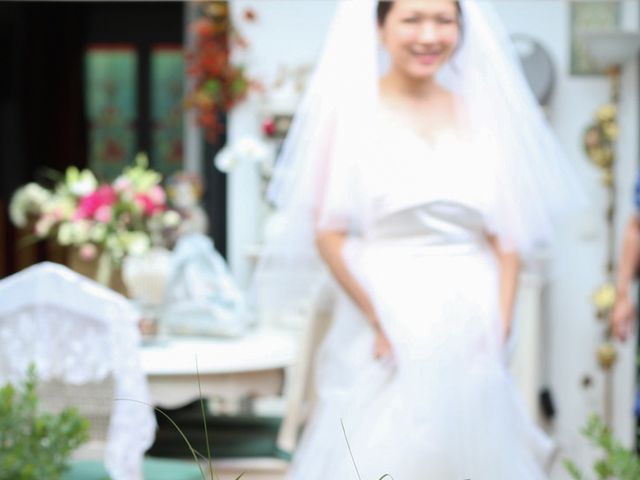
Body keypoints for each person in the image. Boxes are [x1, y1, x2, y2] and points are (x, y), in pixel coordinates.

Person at [252, 1, 584, 478]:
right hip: (386, 306)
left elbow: (507, 236)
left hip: (473, 310)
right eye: (412, 19)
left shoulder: (485, 117)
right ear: (380, 27)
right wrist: (378, 318)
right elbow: (328, 233)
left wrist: (500, 324)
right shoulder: (349, 116)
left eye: (444, 21)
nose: (429, 35)